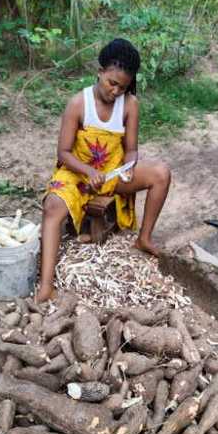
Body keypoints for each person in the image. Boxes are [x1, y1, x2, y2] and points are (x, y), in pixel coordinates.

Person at [35, 38, 172, 303]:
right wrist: (87, 171)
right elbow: (63, 153)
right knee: (52, 206)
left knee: (161, 173)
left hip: (112, 173)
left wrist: (129, 167)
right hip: (77, 173)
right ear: (99, 72)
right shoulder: (78, 103)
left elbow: (131, 149)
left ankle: (143, 239)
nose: (116, 91)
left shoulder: (130, 104)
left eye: (123, 87)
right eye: (112, 83)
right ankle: (45, 287)